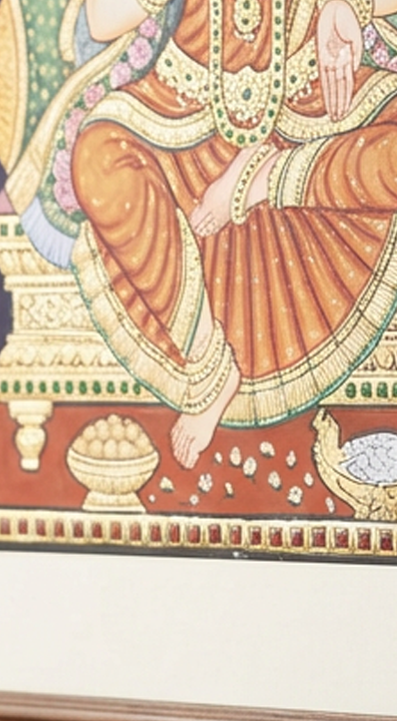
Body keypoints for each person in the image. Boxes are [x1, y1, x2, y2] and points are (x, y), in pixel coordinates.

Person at [50, 0, 397, 465]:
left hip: (315, 116)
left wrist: (350, 6)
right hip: (182, 120)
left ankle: (267, 178)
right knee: (97, 159)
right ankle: (209, 365)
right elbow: (104, 20)